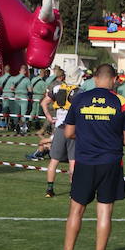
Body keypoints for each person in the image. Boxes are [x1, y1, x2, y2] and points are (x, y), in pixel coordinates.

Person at [48, 62, 125, 250]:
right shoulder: (121, 102)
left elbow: (68, 133)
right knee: (104, 212)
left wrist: (88, 137)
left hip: (85, 161)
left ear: (95, 78)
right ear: (114, 79)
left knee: (76, 210)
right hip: (111, 162)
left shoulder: (79, 99)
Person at [41, 68, 75, 197]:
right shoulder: (79, 91)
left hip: (60, 127)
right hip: (73, 128)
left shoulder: (57, 89)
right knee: (73, 161)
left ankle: (49, 189)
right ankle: (73, 191)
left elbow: (44, 103)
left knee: (54, 161)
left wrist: (49, 117)